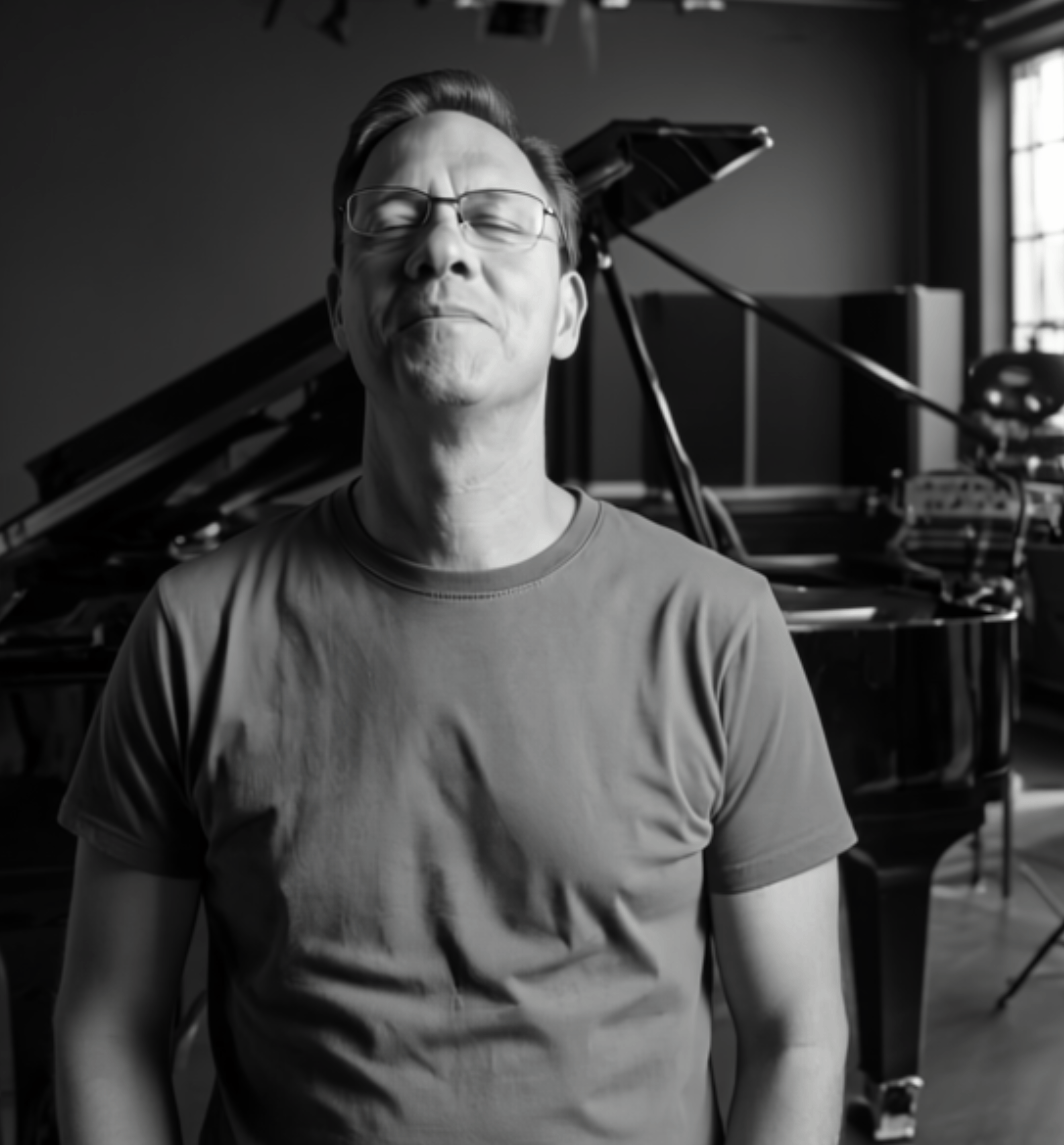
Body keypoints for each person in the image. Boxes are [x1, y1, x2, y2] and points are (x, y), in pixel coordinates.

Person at [53, 68, 856, 1145]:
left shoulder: (720, 625)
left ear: (567, 312)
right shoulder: (193, 627)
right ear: (339, 311)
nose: (442, 246)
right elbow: (107, 1024)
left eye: (496, 217)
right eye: (393, 217)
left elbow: (797, 1033)